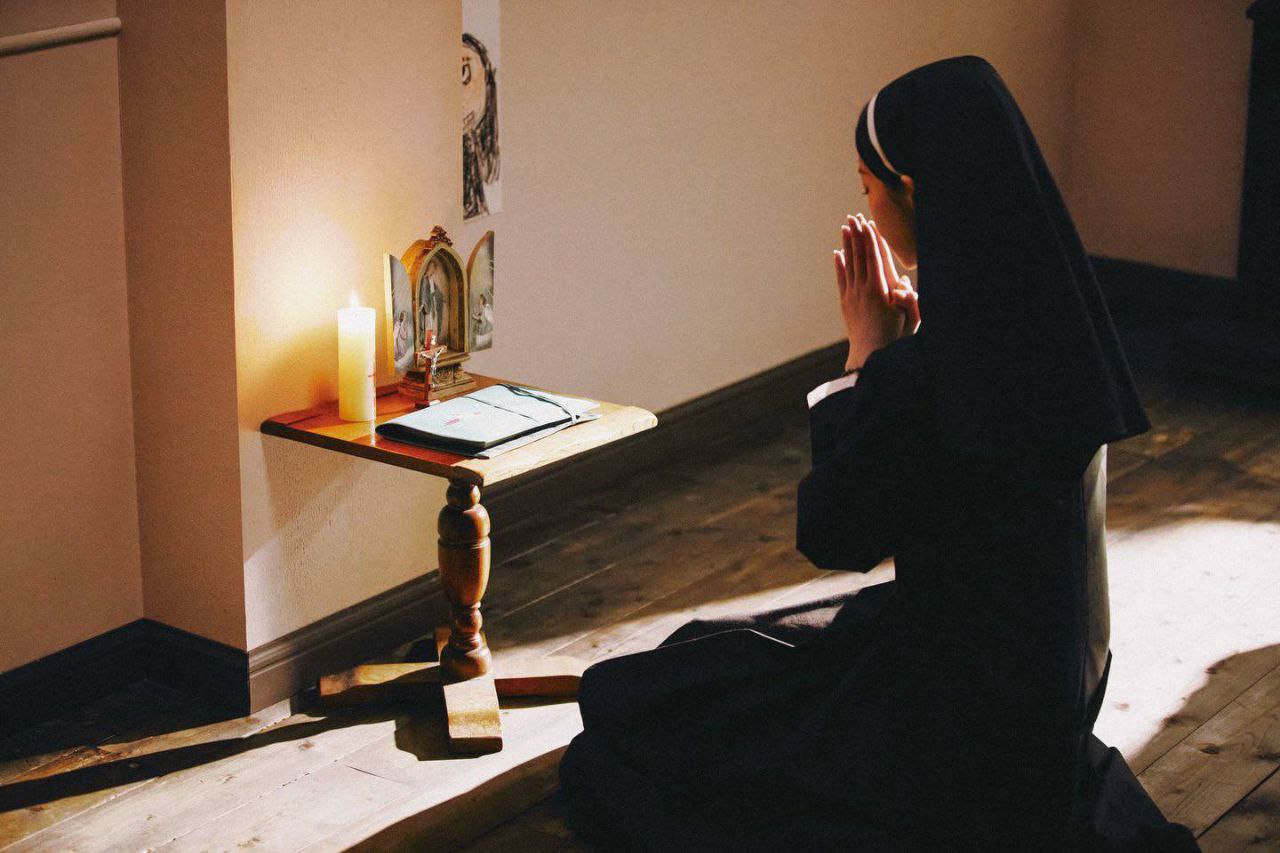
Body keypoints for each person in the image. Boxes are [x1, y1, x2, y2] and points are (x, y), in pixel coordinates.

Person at [559, 56, 1198, 850]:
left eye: (867, 187)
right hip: (1051, 699)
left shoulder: (926, 373)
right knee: (699, 656)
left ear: (918, 194)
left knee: (619, 729)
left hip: (950, 733)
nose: (863, 204)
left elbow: (834, 533)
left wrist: (865, 358)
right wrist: (898, 360)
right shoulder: (1056, 330)